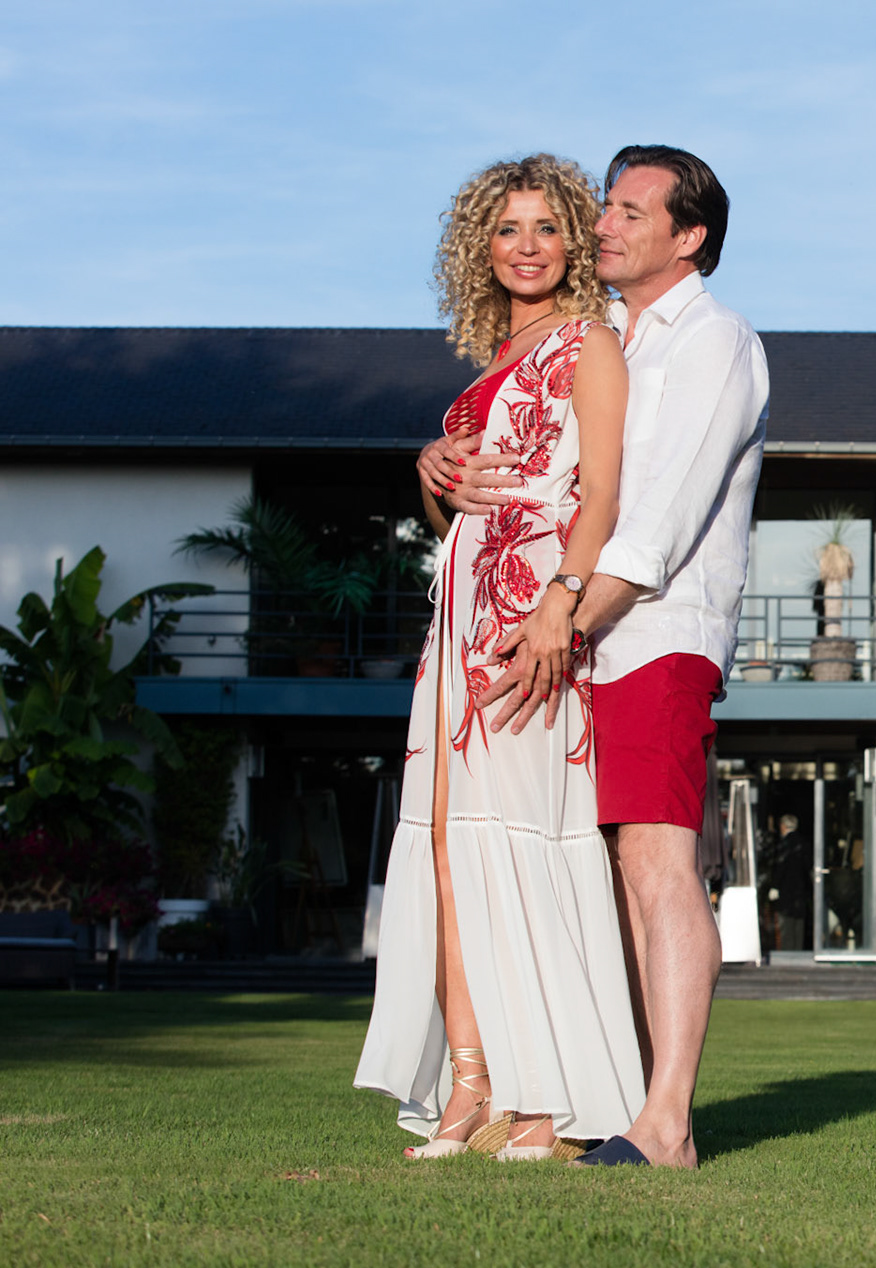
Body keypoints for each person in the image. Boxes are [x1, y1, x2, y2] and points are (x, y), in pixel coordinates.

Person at [419, 145, 769, 1169]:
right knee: (594, 863)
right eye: (604, 208)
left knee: (657, 861)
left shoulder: (716, 341)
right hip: (577, 639)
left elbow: (656, 524)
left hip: (653, 632)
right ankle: (599, 1095)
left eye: (627, 210)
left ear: (688, 235)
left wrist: (560, 612)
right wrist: (432, 465)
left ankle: (666, 1122)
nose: (602, 224)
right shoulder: (601, 338)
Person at [354, 154, 645, 1162]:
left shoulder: (589, 344)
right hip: (459, 613)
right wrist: (428, 471)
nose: (526, 245)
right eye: (507, 228)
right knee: (446, 845)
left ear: (574, 242)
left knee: (520, 835)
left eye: (546, 227)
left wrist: (562, 602)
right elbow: (461, 504)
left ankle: (550, 1095)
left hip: (532, 615)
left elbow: (602, 490)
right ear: (481, 246)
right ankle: (469, 1084)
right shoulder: (483, 373)